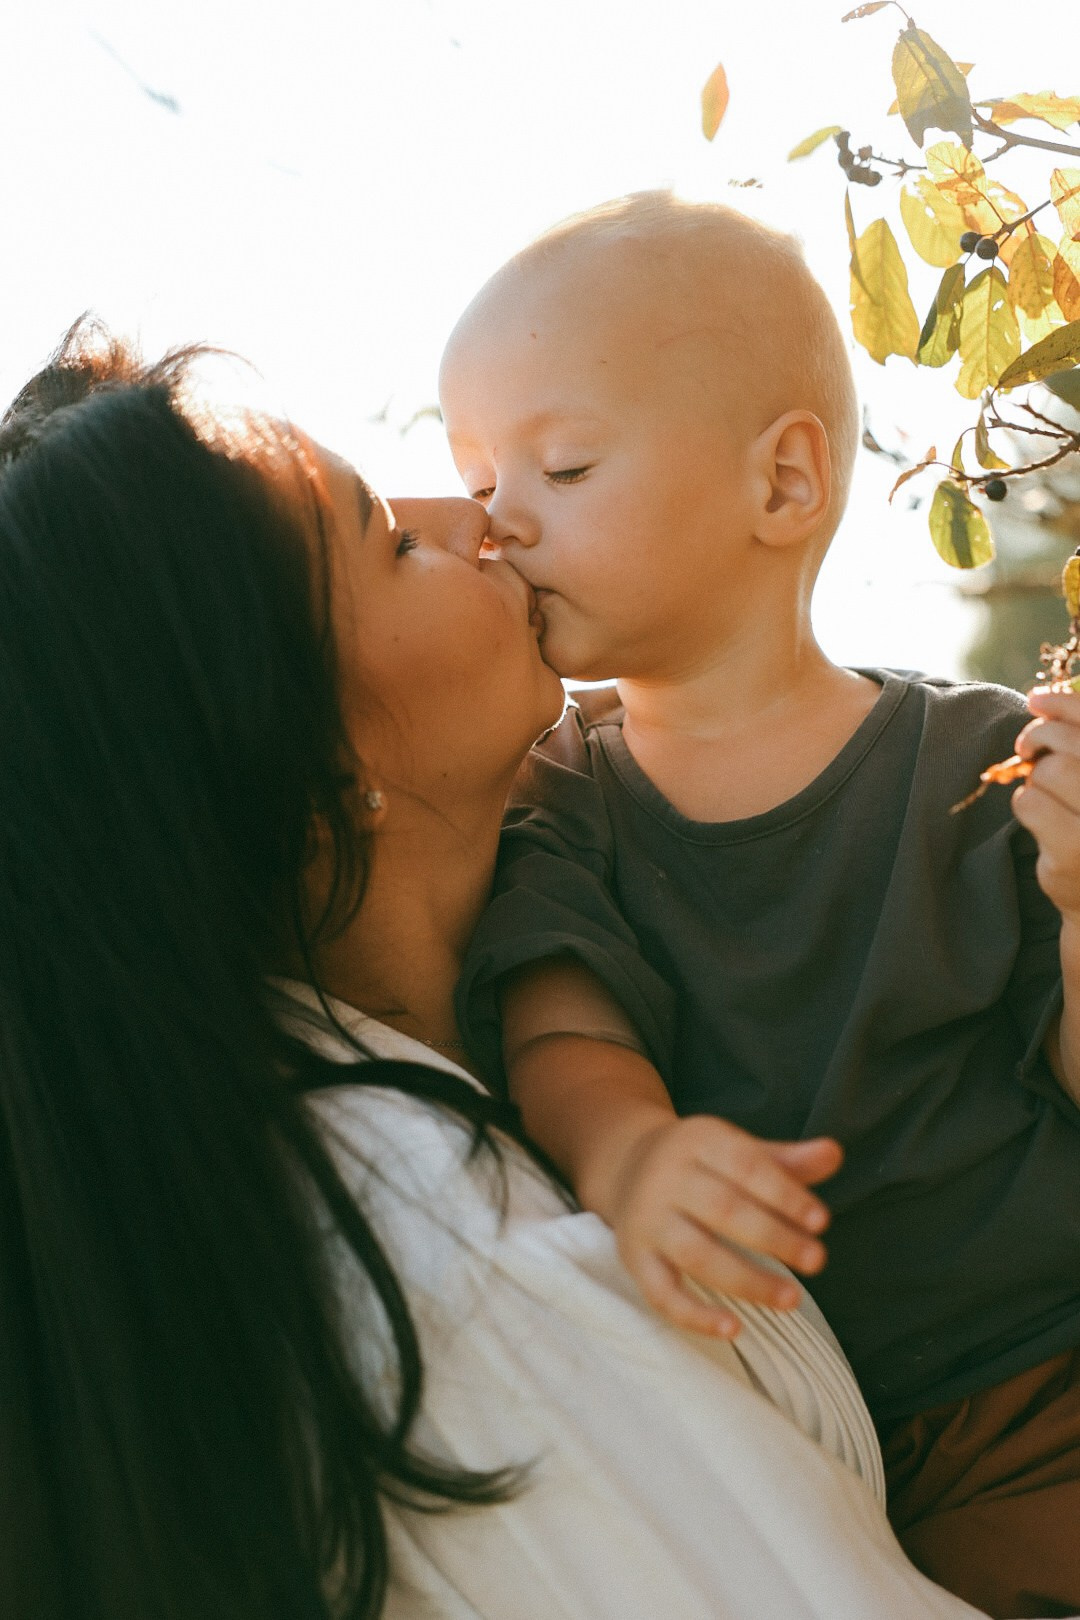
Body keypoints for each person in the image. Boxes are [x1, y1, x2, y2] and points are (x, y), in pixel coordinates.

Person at [0, 317, 997, 1620]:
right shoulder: (452, 1270)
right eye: (389, 542)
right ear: (317, 784)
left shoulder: (603, 935)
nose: (481, 516)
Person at [439, 190, 1080, 1618]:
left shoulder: (975, 763)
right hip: (815, 1435)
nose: (496, 524)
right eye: (476, 479)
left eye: (563, 466)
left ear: (783, 486)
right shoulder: (562, 797)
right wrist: (633, 1157)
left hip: (1047, 1370)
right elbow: (562, 1021)